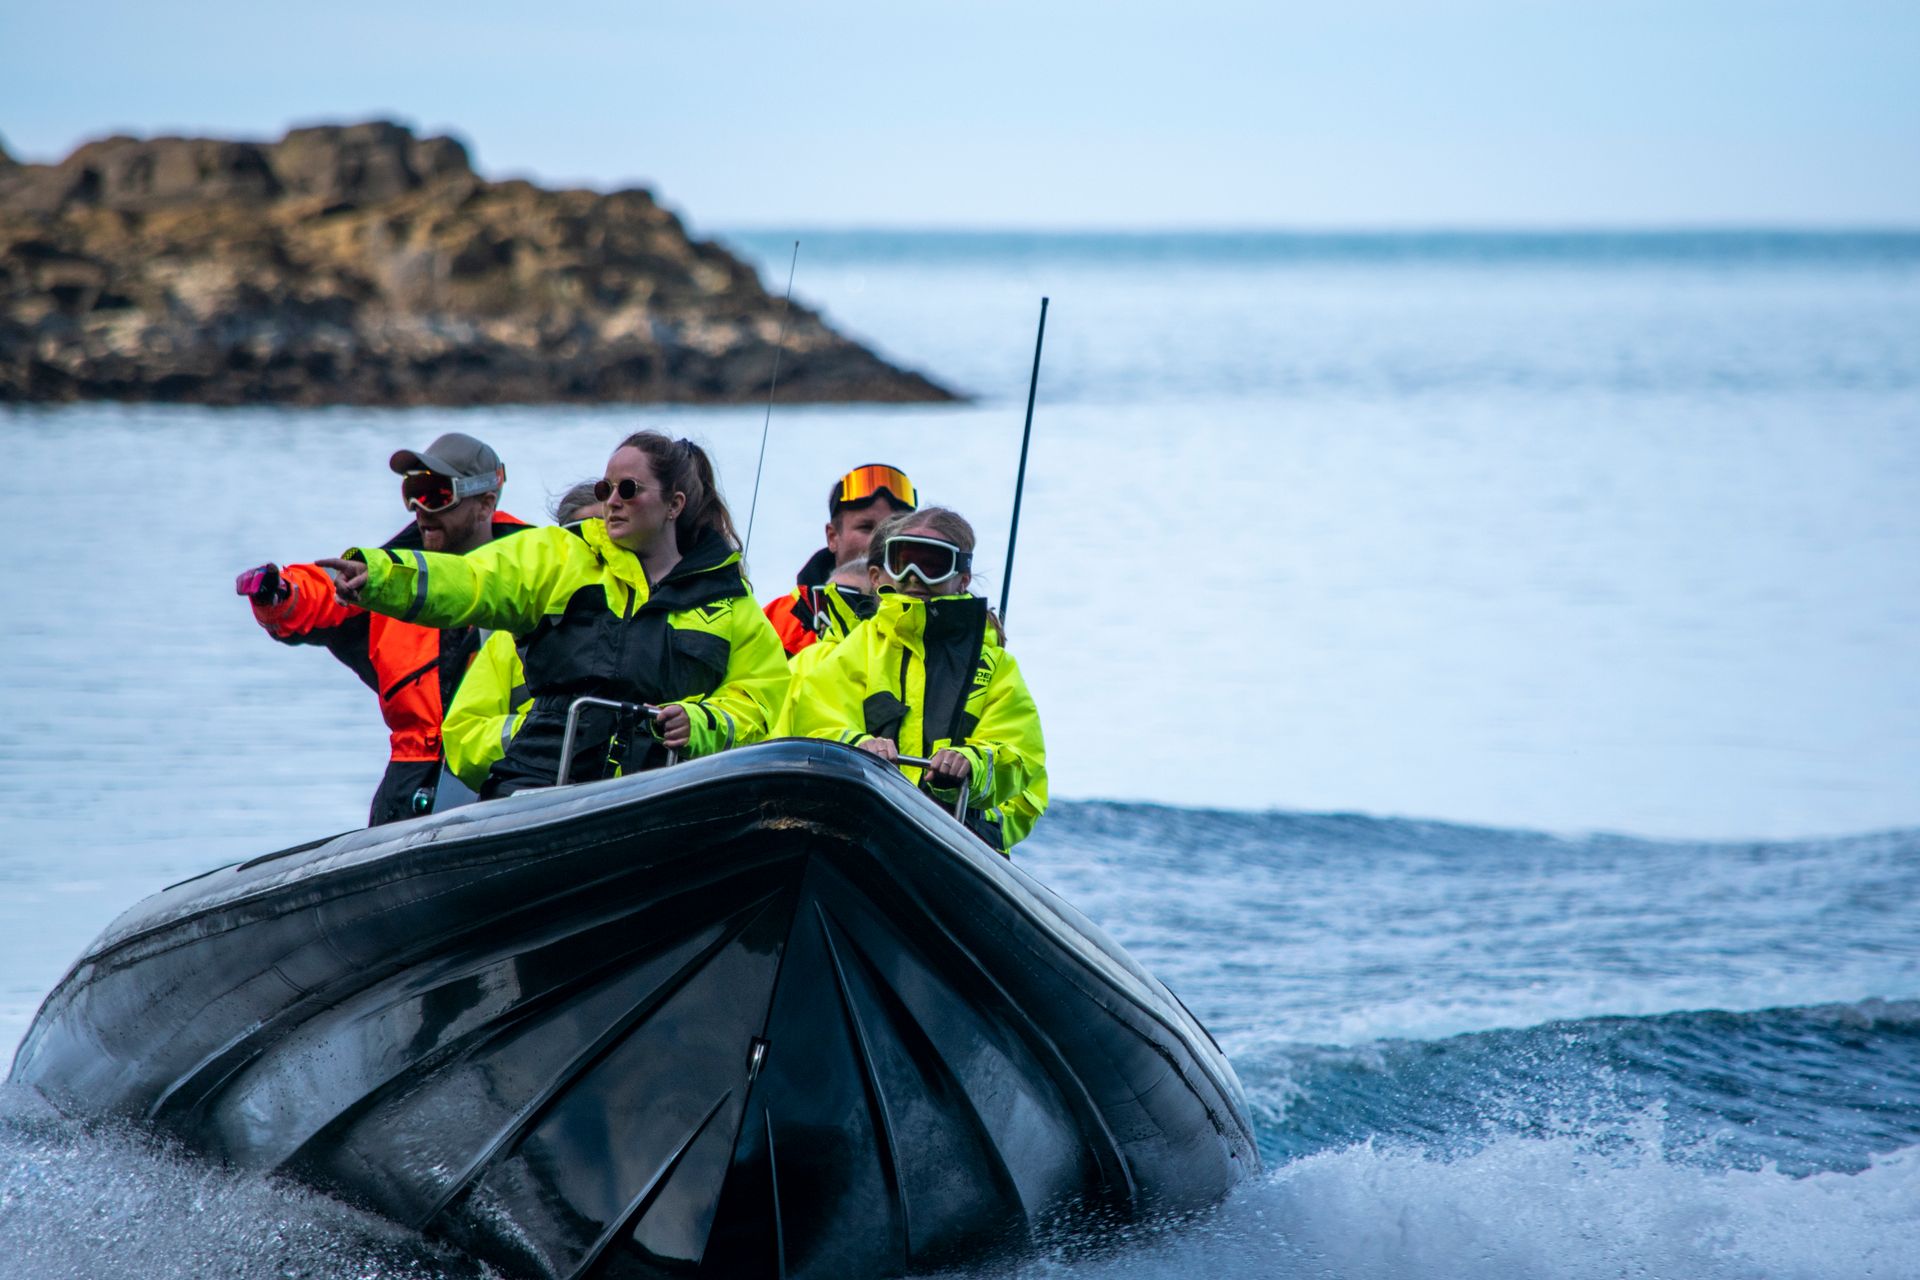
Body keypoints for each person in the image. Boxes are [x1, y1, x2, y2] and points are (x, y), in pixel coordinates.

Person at [318, 432, 788, 797]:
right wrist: (379, 576)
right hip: (538, 787)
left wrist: (700, 723)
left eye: (628, 488)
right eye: (606, 488)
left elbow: (760, 699)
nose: (613, 500)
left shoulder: (728, 602)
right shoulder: (562, 554)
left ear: (674, 505)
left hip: (659, 796)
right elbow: (472, 579)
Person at [238, 432, 528, 825]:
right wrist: (278, 591)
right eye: (412, 493)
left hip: (504, 774)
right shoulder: (387, 576)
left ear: (485, 504)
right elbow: (325, 590)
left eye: (436, 496)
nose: (420, 510)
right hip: (410, 780)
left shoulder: (532, 570)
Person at [785, 507, 1047, 852]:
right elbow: (813, 722)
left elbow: (1022, 761)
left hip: (954, 849)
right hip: (861, 834)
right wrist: (857, 746)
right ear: (880, 574)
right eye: (903, 561)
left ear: (962, 579)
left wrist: (972, 766)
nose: (913, 577)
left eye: (932, 564)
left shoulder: (995, 666)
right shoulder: (855, 650)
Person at [440, 480, 603, 794]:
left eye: (603, 536)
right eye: (580, 538)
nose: (594, 550)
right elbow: (463, 739)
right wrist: (544, 734)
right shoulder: (507, 638)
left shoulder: (646, 623)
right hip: (532, 795)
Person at [765, 463, 917, 657]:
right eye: (866, 527)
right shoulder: (775, 621)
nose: (880, 542)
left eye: (892, 531)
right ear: (833, 536)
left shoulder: (937, 621)